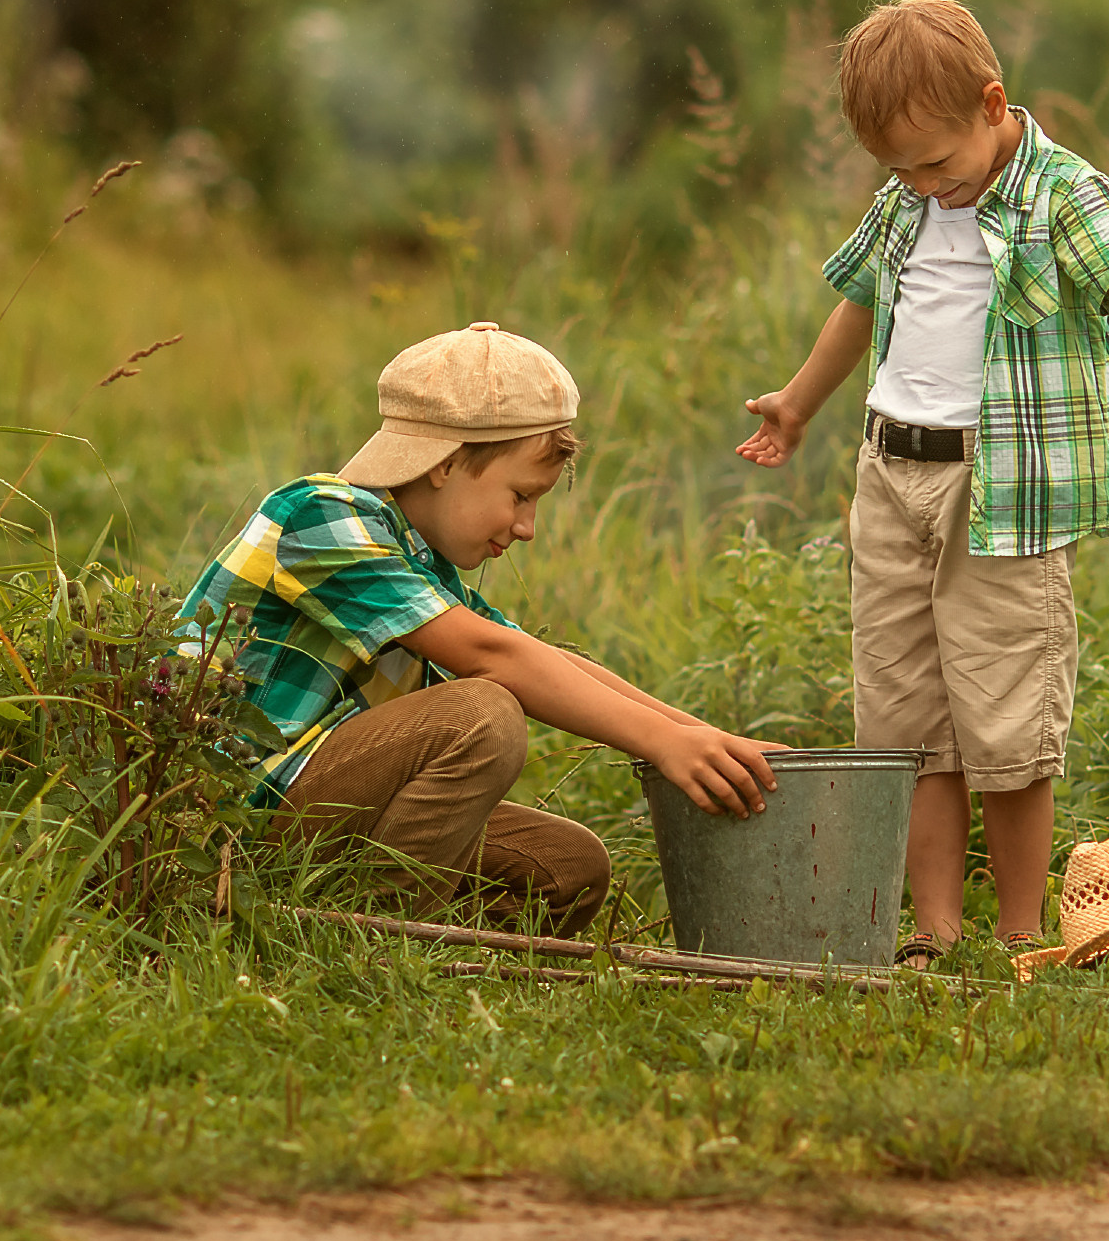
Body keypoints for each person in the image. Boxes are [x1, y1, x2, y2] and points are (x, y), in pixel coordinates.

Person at [737, 0, 1109, 968]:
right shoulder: (907, 200)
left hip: (1000, 492)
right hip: (891, 476)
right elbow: (858, 304)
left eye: (935, 163)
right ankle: (933, 931)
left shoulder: (1065, 194)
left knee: (1006, 714)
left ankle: (1016, 930)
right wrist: (797, 404)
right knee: (903, 716)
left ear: (991, 105)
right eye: (899, 170)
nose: (922, 184)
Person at [179, 320, 779, 934]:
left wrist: (706, 738)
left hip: (306, 808)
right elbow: (497, 657)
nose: (527, 528)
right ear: (445, 464)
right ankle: (373, 950)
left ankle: (334, 930)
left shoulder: (419, 560)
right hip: (223, 826)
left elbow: (539, 657)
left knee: (567, 866)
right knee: (479, 713)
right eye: (520, 495)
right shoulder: (319, 516)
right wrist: (660, 743)